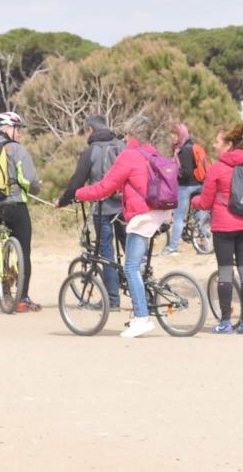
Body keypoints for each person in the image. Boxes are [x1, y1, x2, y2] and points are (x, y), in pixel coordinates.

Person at [75, 116, 172, 339]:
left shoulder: (130, 155)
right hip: (161, 212)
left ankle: (142, 318)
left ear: (132, 135)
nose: (125, 139)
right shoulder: (152, 152)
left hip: (143, 216)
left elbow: (105, 187)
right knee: (138, 265)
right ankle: (144, 302)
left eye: (126, 135)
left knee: (130, 267)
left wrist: (79, 193)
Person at [192, 123, 243, 335]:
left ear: (228, 144)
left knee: (225, 273)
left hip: (224, 227)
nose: (214, 144)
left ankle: (226, 322)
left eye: (218, 141)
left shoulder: (217, 168)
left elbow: (205, 201)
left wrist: (193, 201)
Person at [56, 114, 126, 310]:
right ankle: (144, 296)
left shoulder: (91, 152)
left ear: (90, 130)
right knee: (132, 252)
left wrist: (63, 201)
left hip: (102, 209)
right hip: (125, 208)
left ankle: (112, 300)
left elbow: (76, 182)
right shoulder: (122, 147)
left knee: (106, 254)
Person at [0, 112, 43, 313]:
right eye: (19, 129)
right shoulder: (16, 149)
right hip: (15, 205)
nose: (20, 133)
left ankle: (3, 288)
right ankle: (22, 298)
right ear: (8, 128)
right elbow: (29, 180)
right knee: (23, 250)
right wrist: (35, 189)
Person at [163, 122, 207, 256]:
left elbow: (186, 172)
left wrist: (173, 172)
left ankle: (173, 247)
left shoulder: (183, 150)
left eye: (175, 134)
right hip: (199, 185)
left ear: (181, 134)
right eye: (172, 134)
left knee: (178, 217)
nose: (173, 137)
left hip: (185, 186)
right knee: (199, 215)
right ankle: (203, 246)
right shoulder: (192, 146)